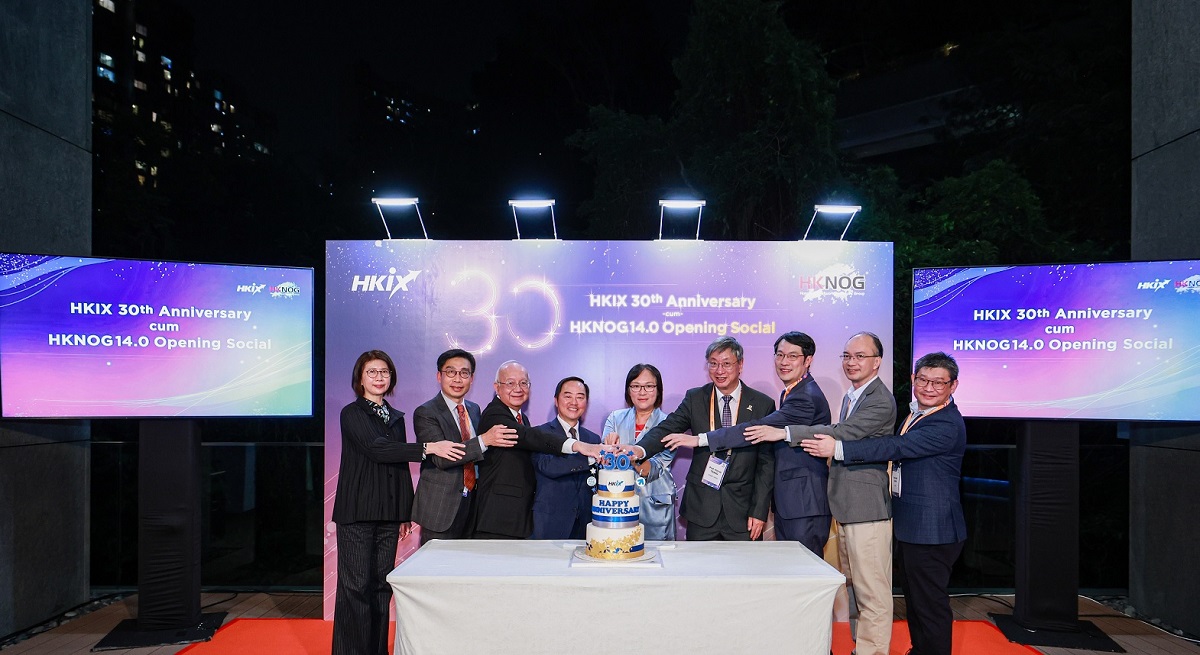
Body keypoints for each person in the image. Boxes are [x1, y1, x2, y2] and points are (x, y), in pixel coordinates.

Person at [803, 352, 966, 655]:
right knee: (917, 601)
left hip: (933, 529)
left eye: (938, 383)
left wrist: (840, 449)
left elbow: (896, 446)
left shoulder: (946, 424)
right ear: (913, 379)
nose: (929, 388)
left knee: (930, 604)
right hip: (912, 527)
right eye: (923, 380)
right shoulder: (918, 414)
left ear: (953, 386)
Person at [746, 332, 897, 655]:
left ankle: (872, 652)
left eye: (860, 356)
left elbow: (843, 433)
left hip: (866, 507)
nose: (852, 362)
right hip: (846, 505)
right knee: (856, 586)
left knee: (872, 592)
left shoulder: (879, 399)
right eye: (847, 356)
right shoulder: (853, 396)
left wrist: (784, 433)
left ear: (877, 362)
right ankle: (860, 648)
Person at [331, 350, 468, 655]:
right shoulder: (352, 413)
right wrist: (429, 447)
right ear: (360, 379)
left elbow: (401, 468)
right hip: (358, 512)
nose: (379, 377)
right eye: (372, 372)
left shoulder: (394, 417)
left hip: (388, 513)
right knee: (355, 588)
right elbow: (378, 449)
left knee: (381, 586)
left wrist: (404, 512)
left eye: (384, 372)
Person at [663, 331, 832, 555]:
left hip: (801, 502)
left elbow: (754, 433)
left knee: (802, 567)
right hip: (781, 504)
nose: (784, 362)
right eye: (780, 355)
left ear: (808, 360)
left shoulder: (803, 397)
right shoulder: (791, 392)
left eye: (792, 356)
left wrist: (700, 439)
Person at [630, 336, 775, 541]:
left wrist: (759, 511)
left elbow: (766, 464)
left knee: (743, 563)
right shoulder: (695, 398)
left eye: (726, 364)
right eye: (713, 364)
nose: (719, 370)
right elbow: (667, 428)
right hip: (702, 509)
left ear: (740, 365)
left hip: (743, 512)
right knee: (698, 562)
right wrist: (640, 449)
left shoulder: (762, 404)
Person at [469, 360, 609, 539]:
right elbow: (532, 442)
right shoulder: (495, 415)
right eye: (510, 383)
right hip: (500, 517)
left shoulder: (522, 419)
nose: (518, 388)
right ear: (497, 387)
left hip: (524, 519)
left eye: (523, 383)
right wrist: (578, 446)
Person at [411, 349, 518, 544]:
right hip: (440, 507)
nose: (458, 379)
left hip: (473, 504)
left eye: (464, 373)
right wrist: (484, 440)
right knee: (437, 562)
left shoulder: (474, 409)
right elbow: (441, 458)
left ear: (472, 378)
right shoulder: (426, 412)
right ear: (439, 376)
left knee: (466, 561)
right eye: (451, 372)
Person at [602, 364, 676, 540]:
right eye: (636, 386)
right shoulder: (615, 418)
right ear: (628, 390)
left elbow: (655, 468)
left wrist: (629, 455)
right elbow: (605, 460)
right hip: (619, 503)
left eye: (649, 386)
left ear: (658, 390)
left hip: (655, 504)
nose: (642, 392)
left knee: (658, 554)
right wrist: (608, 449)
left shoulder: (670, 423)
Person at [530, 377, 602, 539]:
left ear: (586, 403)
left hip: (586, 523)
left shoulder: (593, 439)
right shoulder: (540, 434)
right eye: (568, 396)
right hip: (550, 521)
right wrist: (588, 458)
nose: (574, 402)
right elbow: (547, 466)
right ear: (556, 401)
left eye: (580, 397)